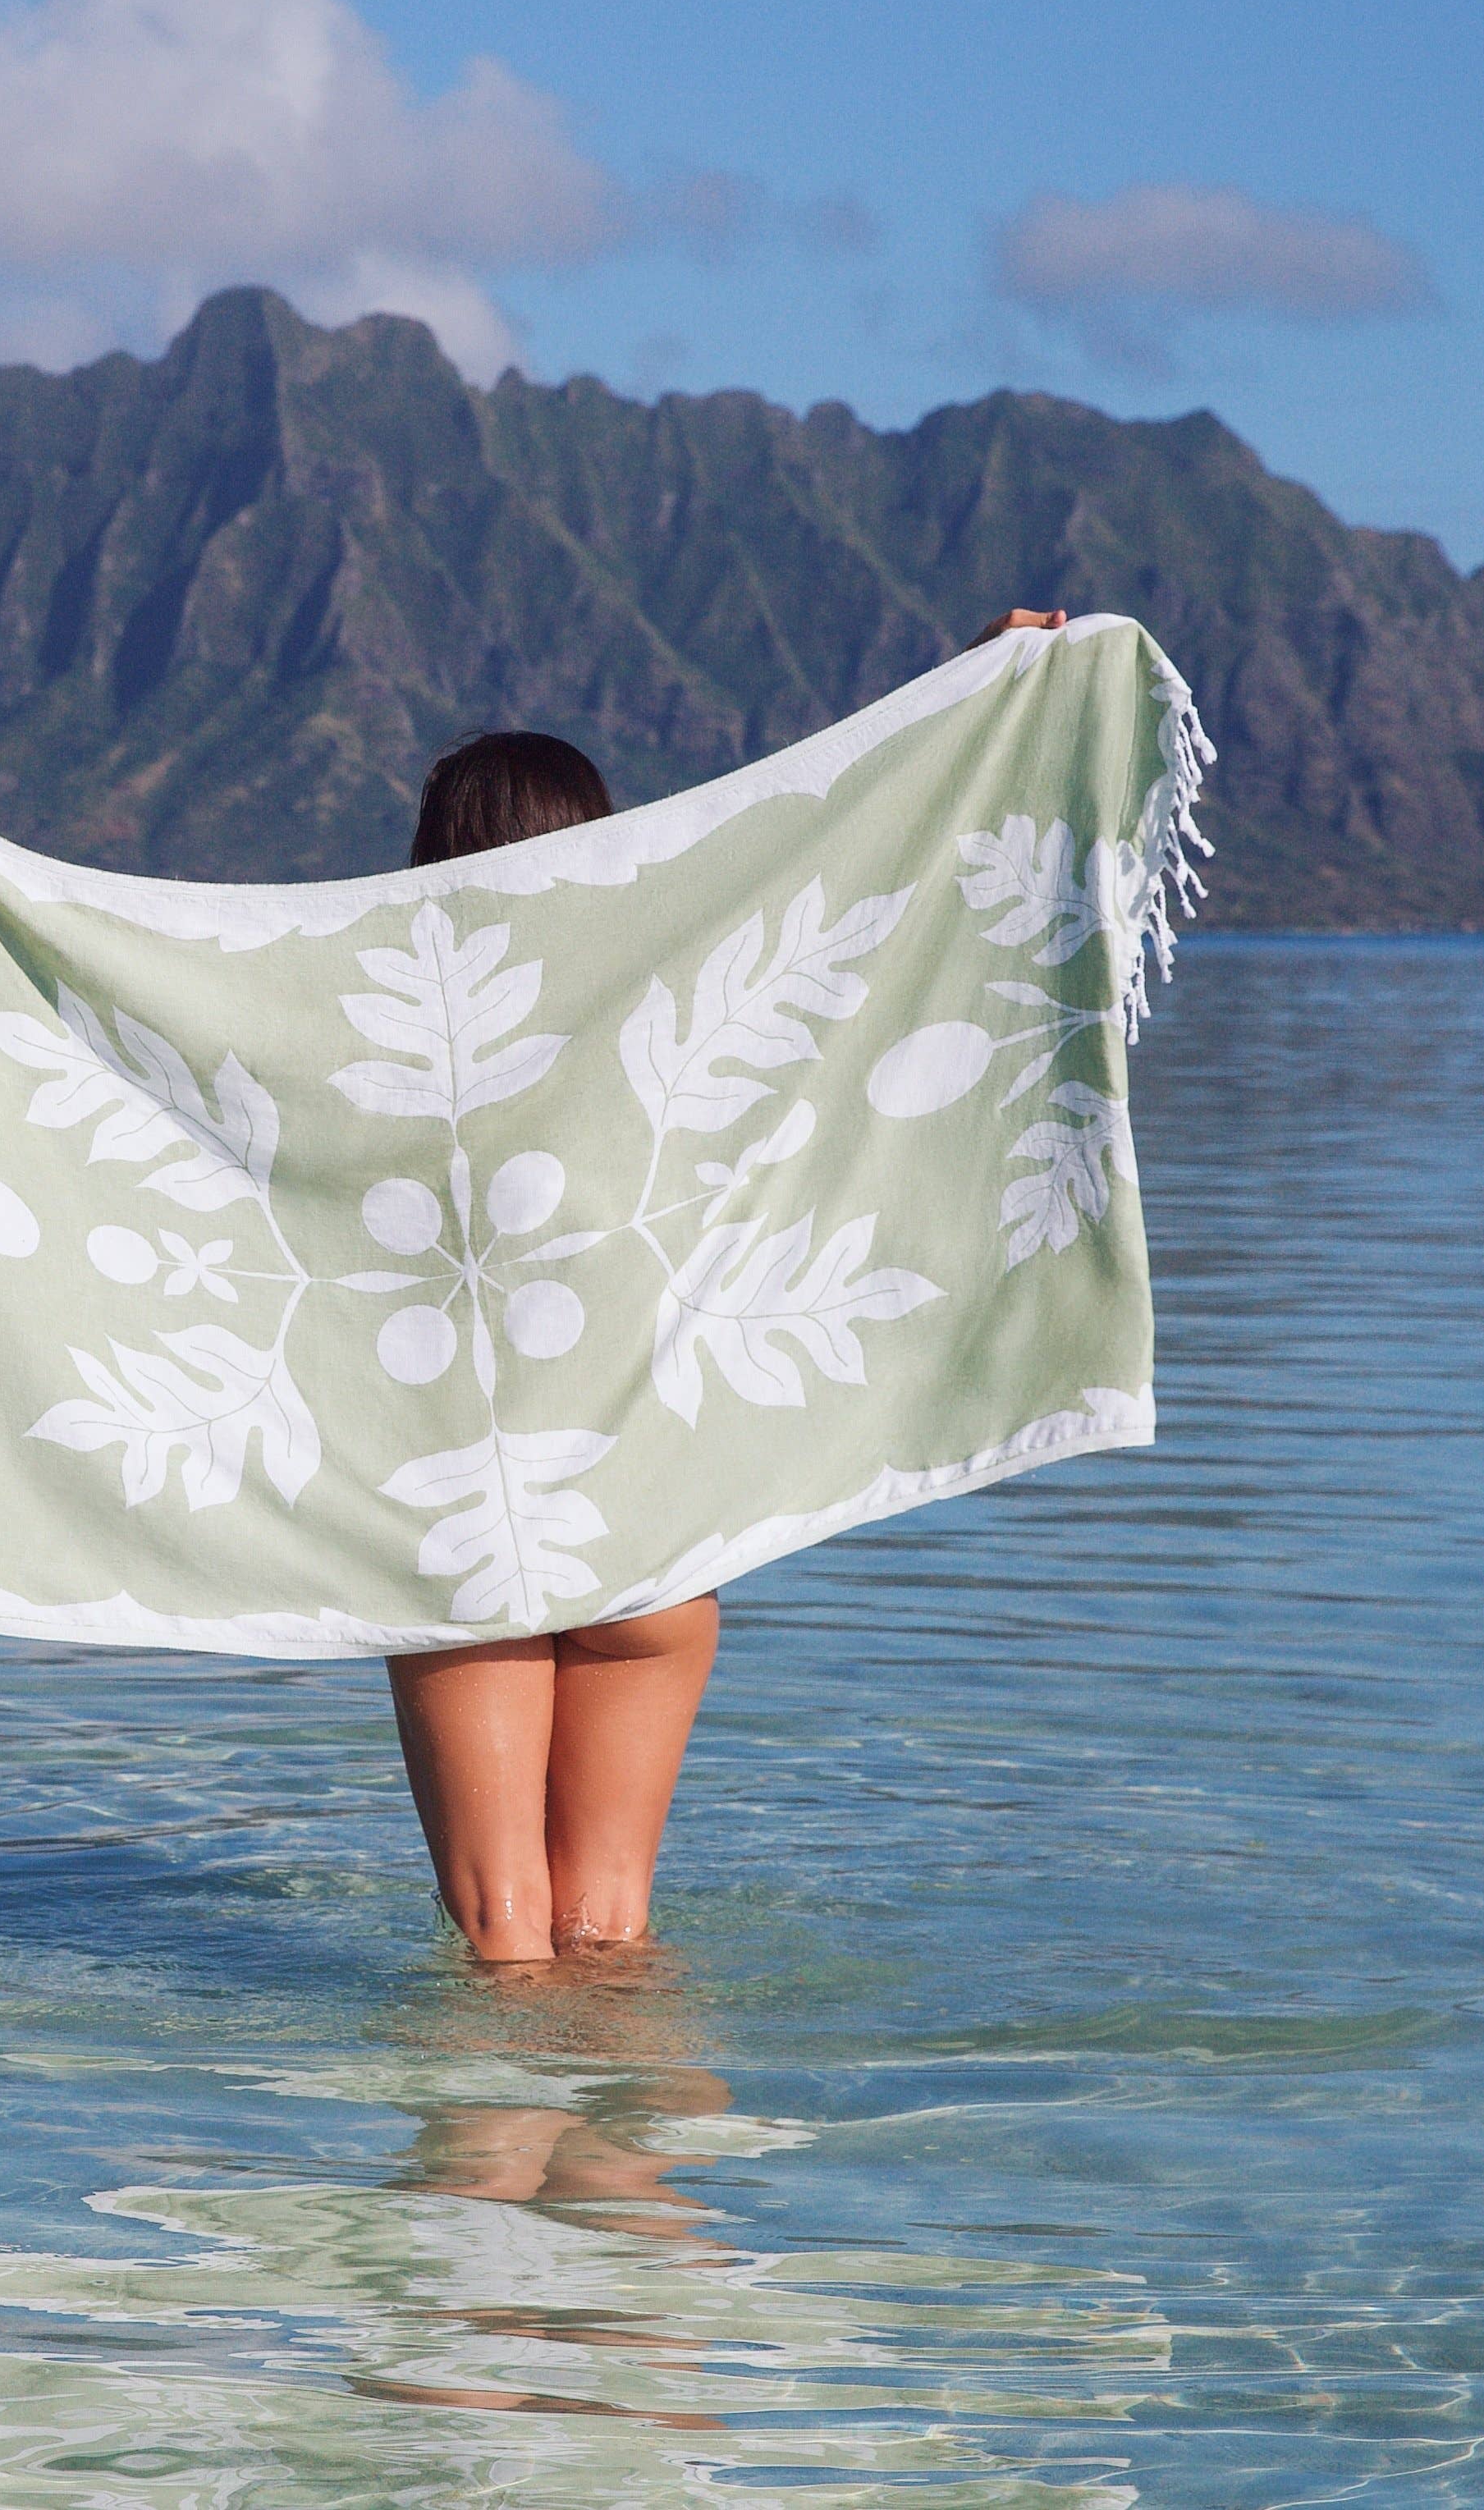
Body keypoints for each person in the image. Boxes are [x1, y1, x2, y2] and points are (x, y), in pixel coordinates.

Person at [384, 611, 1069, 1963]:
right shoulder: (682, 1016)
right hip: (656, 1541)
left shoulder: (396, 1048)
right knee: (614, 1930)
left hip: (478, 1533)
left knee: (504, 1935)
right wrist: (974, 692)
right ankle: (633, 2167)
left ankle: (487, 2157)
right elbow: (855, 869)